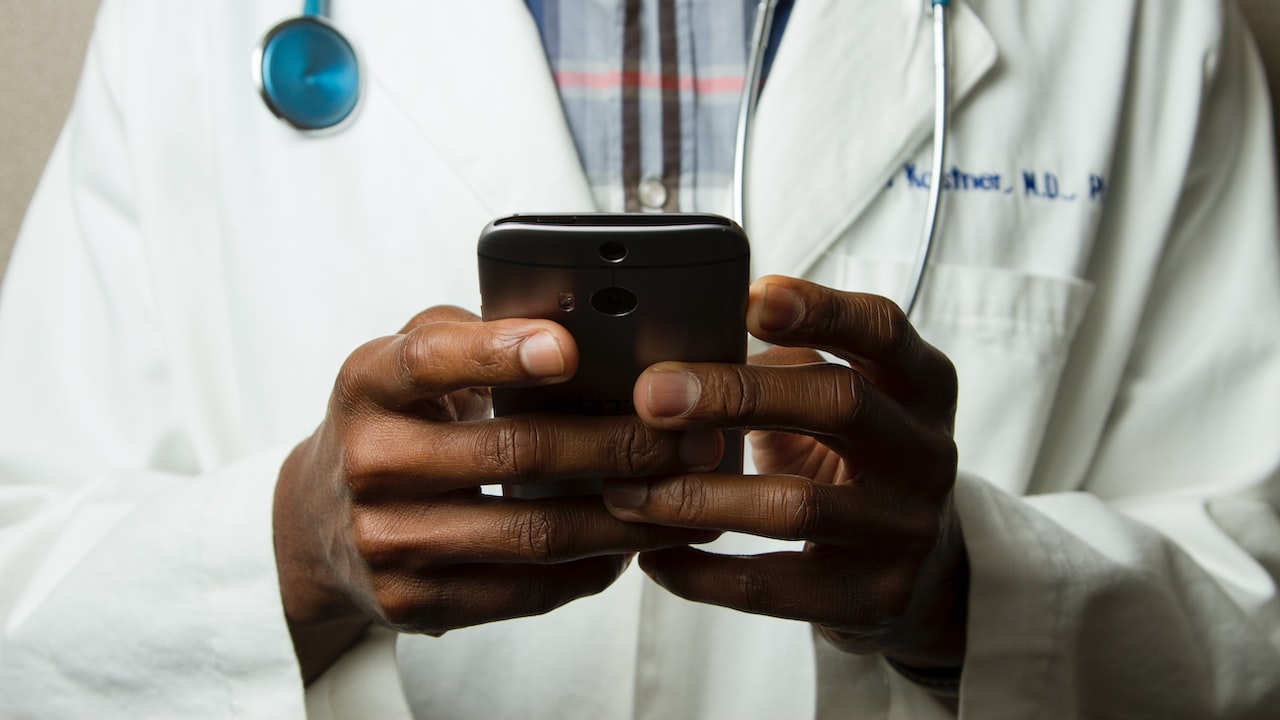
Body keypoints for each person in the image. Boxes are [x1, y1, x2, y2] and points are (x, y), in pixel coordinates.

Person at [1, 0, 1278, 717]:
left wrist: (967, 593)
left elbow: (1254, 592)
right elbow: (25, 591)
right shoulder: (185, 25)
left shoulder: (1139, 24)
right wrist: (295, 552)